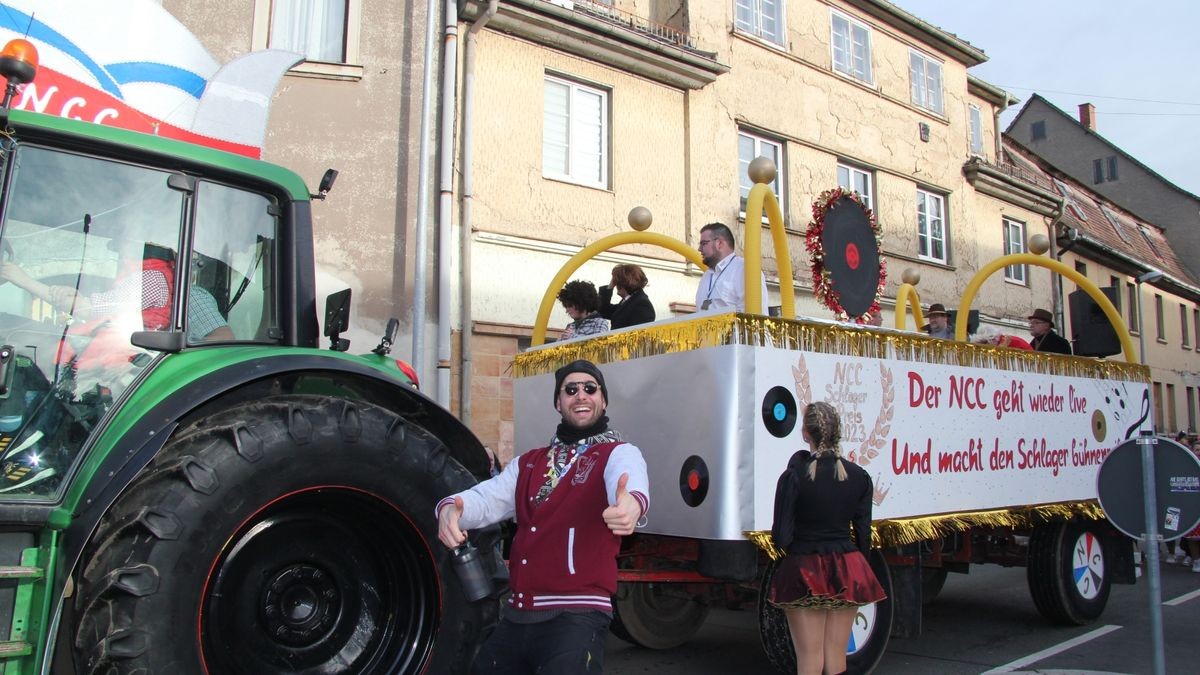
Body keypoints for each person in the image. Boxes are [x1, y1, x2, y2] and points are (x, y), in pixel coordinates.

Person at [436, 360, 648, 673]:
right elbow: (486, 498)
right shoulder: (530, 462)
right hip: (518, 613)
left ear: (603, 400)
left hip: (576, 616)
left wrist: (630, 505)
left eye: (590, 388)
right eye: (570, 389)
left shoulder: (618, 453)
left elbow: (630, 482)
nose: (581, 395)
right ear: (558, 402)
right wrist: (450, 508)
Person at [767, 401, 886, 675]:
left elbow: (781, 537)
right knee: (836, 660)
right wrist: (857, 568)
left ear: (806, 434)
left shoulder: (794, 477)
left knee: (809, 660)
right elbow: (864, 533)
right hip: (848, 567)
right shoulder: (859, 477)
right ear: (837, 432)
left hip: (805, 569)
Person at [694, 222, 769, 313]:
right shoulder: (706, 276)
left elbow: (757, 316)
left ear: (720, 243)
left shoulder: (744, 269)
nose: (699, 249)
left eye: (703, 243)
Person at [598, 263, 655, 330]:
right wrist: (610, 286)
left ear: (625, 282)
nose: (616, 285)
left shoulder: (642, 304)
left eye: (617, 282)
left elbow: (638, 334)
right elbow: (603, 310)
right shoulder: (629, 301)